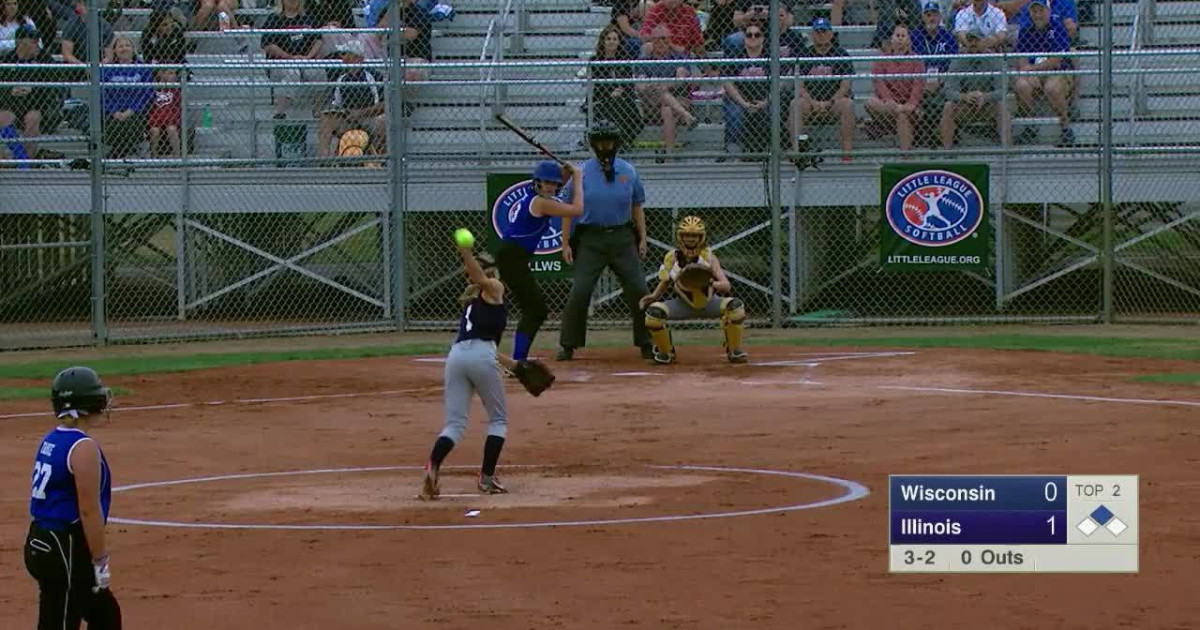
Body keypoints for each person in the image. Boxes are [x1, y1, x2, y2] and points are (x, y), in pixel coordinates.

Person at [25, 366, 122, 629]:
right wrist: (100, 559)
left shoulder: (51, 439)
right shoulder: (83, 447)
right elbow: (89, 511)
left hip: (41, 539)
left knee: (105, 615)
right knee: (59, 621)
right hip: (62, 546)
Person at [419, 245, 520, 499]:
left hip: (456, 357)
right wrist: (466, 254)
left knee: (454, 424)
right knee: (498, 420)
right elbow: (484, 350)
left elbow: (483, 348)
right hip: (480, 356)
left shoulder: (471, 305)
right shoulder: (495, 288)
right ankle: (486, 479)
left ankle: (432, 466)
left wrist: (517, 366)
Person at [556, 119, 654, 362]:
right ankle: (568, 344)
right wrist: (565, 242)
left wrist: (642, 237)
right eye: (600, 141)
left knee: (639, 288)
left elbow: (637, 206)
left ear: (616, 143)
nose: (604, 146)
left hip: (622, 237)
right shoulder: (581, 173)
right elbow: (568, 208)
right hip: (590, 238)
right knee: (580, 291)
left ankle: (647, 342)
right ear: (592, 144)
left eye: (608, 141)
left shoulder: (628, 171)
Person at [493, 160, 584, 365]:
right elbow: (577, 210)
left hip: (512, 256)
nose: (550, 187)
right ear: (538, 183)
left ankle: (517, 358)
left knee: (532, 309)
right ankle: (518, 360)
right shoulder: (541, 203)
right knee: (536, 310)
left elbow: (557, 191)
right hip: (511, 257)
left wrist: (567, 174)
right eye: (546, 183)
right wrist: (577, 178)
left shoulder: (538, 196)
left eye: (554, 183)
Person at [638, 216, 748, 364]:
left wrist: (707, 283)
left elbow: (726, 285)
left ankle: (734, 349)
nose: (690, 239)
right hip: (682, 304)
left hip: (709, 302)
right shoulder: (672, 258)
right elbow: (665, 281)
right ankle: (666, 351)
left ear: (701, 237)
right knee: (653, 314)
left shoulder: (708, 257)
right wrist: (654, 296)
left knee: (736, 307)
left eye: (694, 235)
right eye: (687, 235)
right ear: (680, 236)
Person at [1014, 0, 1073, 146]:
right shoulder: (1026, 31)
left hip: (1058, 71)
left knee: (1051, 88)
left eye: (1041, 11)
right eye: (1034, 11)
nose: (1037, 15)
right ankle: (1031, 126)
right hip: (1035, 72)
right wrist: (1027, 73)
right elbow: (1022, 59)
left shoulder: (1057, 27)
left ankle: (1066, 127)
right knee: (1022, 85)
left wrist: (1032, 69)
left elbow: (1057, 59)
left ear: (1048, 11)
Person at [940, 26, 1009, 148]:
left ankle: (1007, 150)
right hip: (966, 105)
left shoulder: (995, 59)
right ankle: (947, 152)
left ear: (985, 42)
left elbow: (1002, 89)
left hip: (988, 105)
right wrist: (964, 96)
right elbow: (948, 90)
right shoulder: (958, 60)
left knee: (1002, 106)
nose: (973, 43)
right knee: (948, 107)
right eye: (970, 40)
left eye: (977, 40)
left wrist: (985, 97)